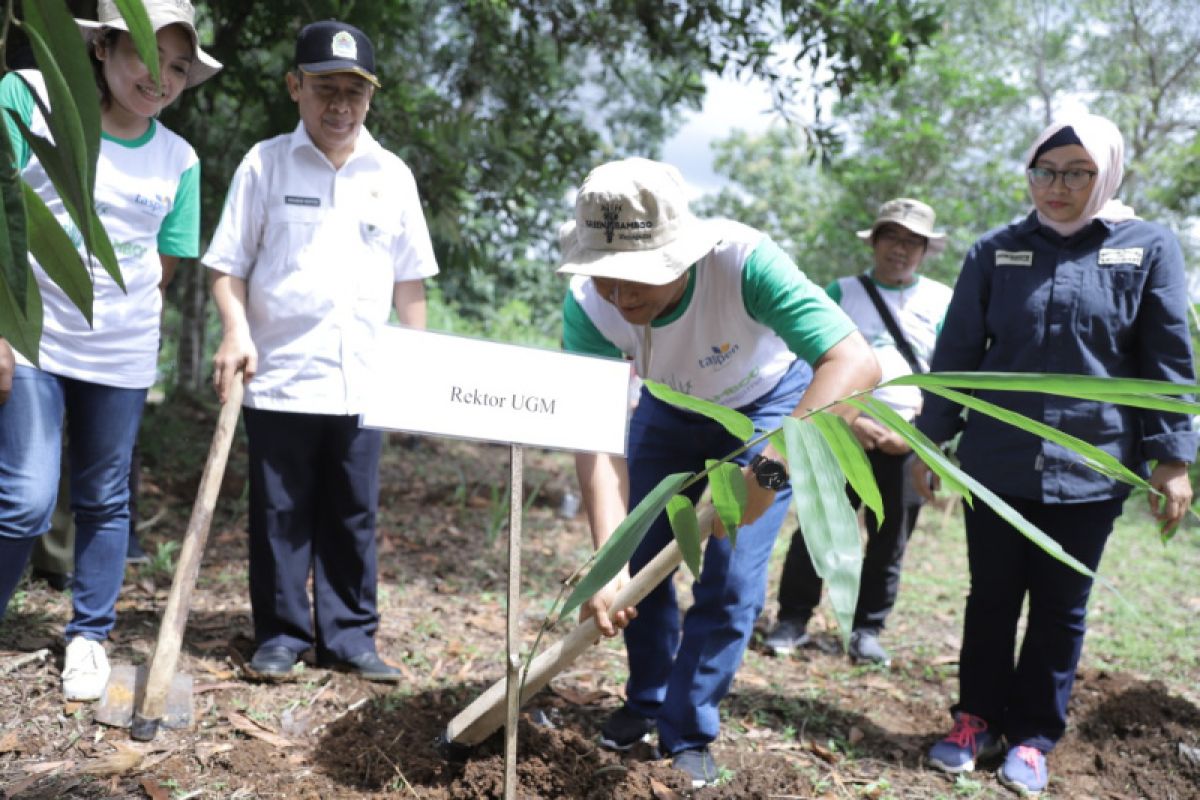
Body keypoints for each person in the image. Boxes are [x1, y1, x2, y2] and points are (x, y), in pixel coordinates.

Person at [559, 158, 881, 788]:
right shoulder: (586, 306)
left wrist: (771, 466)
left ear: (683, 255)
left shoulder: (744, 264)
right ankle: (646, 697)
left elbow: (853, 361)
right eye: (607, 279)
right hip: (667, 408)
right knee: (642, 565)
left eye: (638, 280)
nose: (623, 299)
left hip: (767, 409)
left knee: (731, 579)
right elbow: (594, 442)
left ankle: (689, 726)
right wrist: (608, 560)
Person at [914, 113, 1196, 795]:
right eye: (1045, 171)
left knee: (1061, 608)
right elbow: (957, 357)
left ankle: (1035, 737)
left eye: (1077, 172)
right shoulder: (994, 251)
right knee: (991, 599)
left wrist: (1173, 459)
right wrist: (932, 440)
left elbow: (1164, 360)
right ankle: (974, 720)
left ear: (1107, 174)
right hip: (996, 462)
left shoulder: (1148, 248)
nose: (1057, 186)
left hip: (1091, 468)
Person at [0, 0, 221, 701]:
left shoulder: (179, 159)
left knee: (104, 497)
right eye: (147, 57)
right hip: (32, 337)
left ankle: (89, 635)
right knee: (25, 500)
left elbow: (165, 263)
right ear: (101, 49)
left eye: (179, 68)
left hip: (119, 356)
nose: (161, 78)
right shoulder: (28, 98)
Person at [205, 20, 438, 683]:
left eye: (354, 94)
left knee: (353, 512)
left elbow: (409, 281)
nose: (339, 107)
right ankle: (281, 635)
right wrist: (235, 329)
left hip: (362, 381)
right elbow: (227, 267)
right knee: (280, 512)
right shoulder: (265, 163)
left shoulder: (392, 175)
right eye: (325, 90)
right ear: (295, 88)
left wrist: (415, 361)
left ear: (370, 99)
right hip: (278, 373)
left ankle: (350, 637)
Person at [764, 198, 953, 666]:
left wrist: (917, 436)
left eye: (913, 242)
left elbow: (949, 373)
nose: (901, 249)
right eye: (893, 237)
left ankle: (867, 630)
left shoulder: (942, 301)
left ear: (926, 250)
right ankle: (792, 619)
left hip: (907, 437)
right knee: (819, 526)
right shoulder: (840, 292)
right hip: (842, 430)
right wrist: (857, 418)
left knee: (891, 539)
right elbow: (810, 360)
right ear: (875, 241)